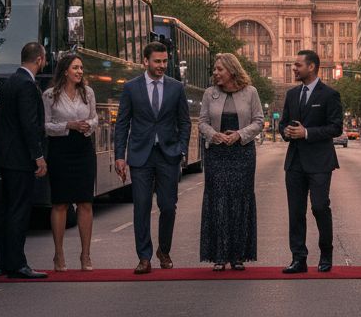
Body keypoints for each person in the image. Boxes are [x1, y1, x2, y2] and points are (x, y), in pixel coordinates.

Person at [114, 41, 190, 275]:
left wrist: (182, 148)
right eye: (157, 61)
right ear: (145, 61)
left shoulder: (176, 88)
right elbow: (122, 123)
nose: (162, 65)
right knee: (142, 206)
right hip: (140, 156)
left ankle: (163, 250)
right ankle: (144, 257)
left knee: (168, 206)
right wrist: (120, 155)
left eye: (165, 61)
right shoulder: (131, 88)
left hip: (168, 155)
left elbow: (184, 122)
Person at [278, 49, 343, 274]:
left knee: (319, 207)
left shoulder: (329, 95)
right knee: (295, 212)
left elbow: (336, 128)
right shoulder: (292, 94)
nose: (293, 69)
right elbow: (283, 122)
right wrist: (285, 131)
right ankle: (299, 259)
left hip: (319, 162)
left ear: (312, 67)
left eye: (297, 65)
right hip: (294, 162)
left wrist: (307, 133)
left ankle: (326, 253)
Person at [198, 53, 264, 271]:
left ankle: (237, 255)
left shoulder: (250, 92)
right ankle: (218, 255)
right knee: (217, 201)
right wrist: (213, 135)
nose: (215, 73)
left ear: (231, 70)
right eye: (214, 70)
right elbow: (202, 122)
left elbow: (259, 121)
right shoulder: (210, 94)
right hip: (217, 155)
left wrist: (239, 134)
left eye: (219, 69)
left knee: (239, 201)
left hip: (242, 154)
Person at [0, 42, 49, 279]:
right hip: (20, 158)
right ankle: (17, 264)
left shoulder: (10, 82)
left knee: (6, 210)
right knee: (19, 211)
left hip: (5, 156)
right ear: (39, 60)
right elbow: (29, 124)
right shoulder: (27, 85)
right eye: (43, 59)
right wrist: (38, 156)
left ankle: (2, 262)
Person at [42, 52, 98, 272]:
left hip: (83, 149)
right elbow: (45, 126)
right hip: (60, 150)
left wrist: (88, 125)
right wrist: (68, 126)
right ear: (65, 71)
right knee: (60, 203)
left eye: (81, 68)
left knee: (85, 202)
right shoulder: (49, 95)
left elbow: (94, 117)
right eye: (75, 68)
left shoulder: (88, 93)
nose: (80, 72)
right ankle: (59, 255)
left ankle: (86, 255)